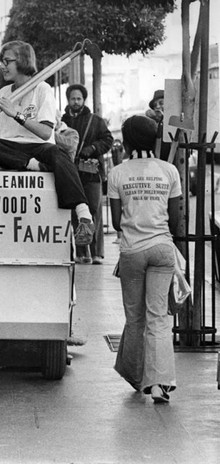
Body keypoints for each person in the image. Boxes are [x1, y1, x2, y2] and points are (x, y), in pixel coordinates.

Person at [0, 40, 94, 247]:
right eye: (0, 61)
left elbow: (45, 133)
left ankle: (84, 216)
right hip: (9, 149)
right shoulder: (3, 93)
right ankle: (30, 165)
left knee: (58, 154)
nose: (2, 65)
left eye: (7, 61)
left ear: (23, 61)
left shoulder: (42, 89)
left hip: (38, 146)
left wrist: (15, 114)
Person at [108, 115, 181, 403]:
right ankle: (159, 383)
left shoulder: (117, 173)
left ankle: (138, 378)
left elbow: (115, 221)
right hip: (163, 250)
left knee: (135, 318)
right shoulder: (169, 171)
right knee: (159, 318)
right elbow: (175, 221)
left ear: (125, 143)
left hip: (132, 252)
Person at [62, 84, 114, 265]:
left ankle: (97, 253)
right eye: (72, 98)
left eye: (79, 98)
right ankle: (82, 253)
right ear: (67, 100)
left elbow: (108, 140)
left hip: (91, 173)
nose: (76, 102)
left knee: (94, 210)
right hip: (70, 172)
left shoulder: (96, 121)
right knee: (75, 213)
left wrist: (92, 148)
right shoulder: (62, 122)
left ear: (84, 100)